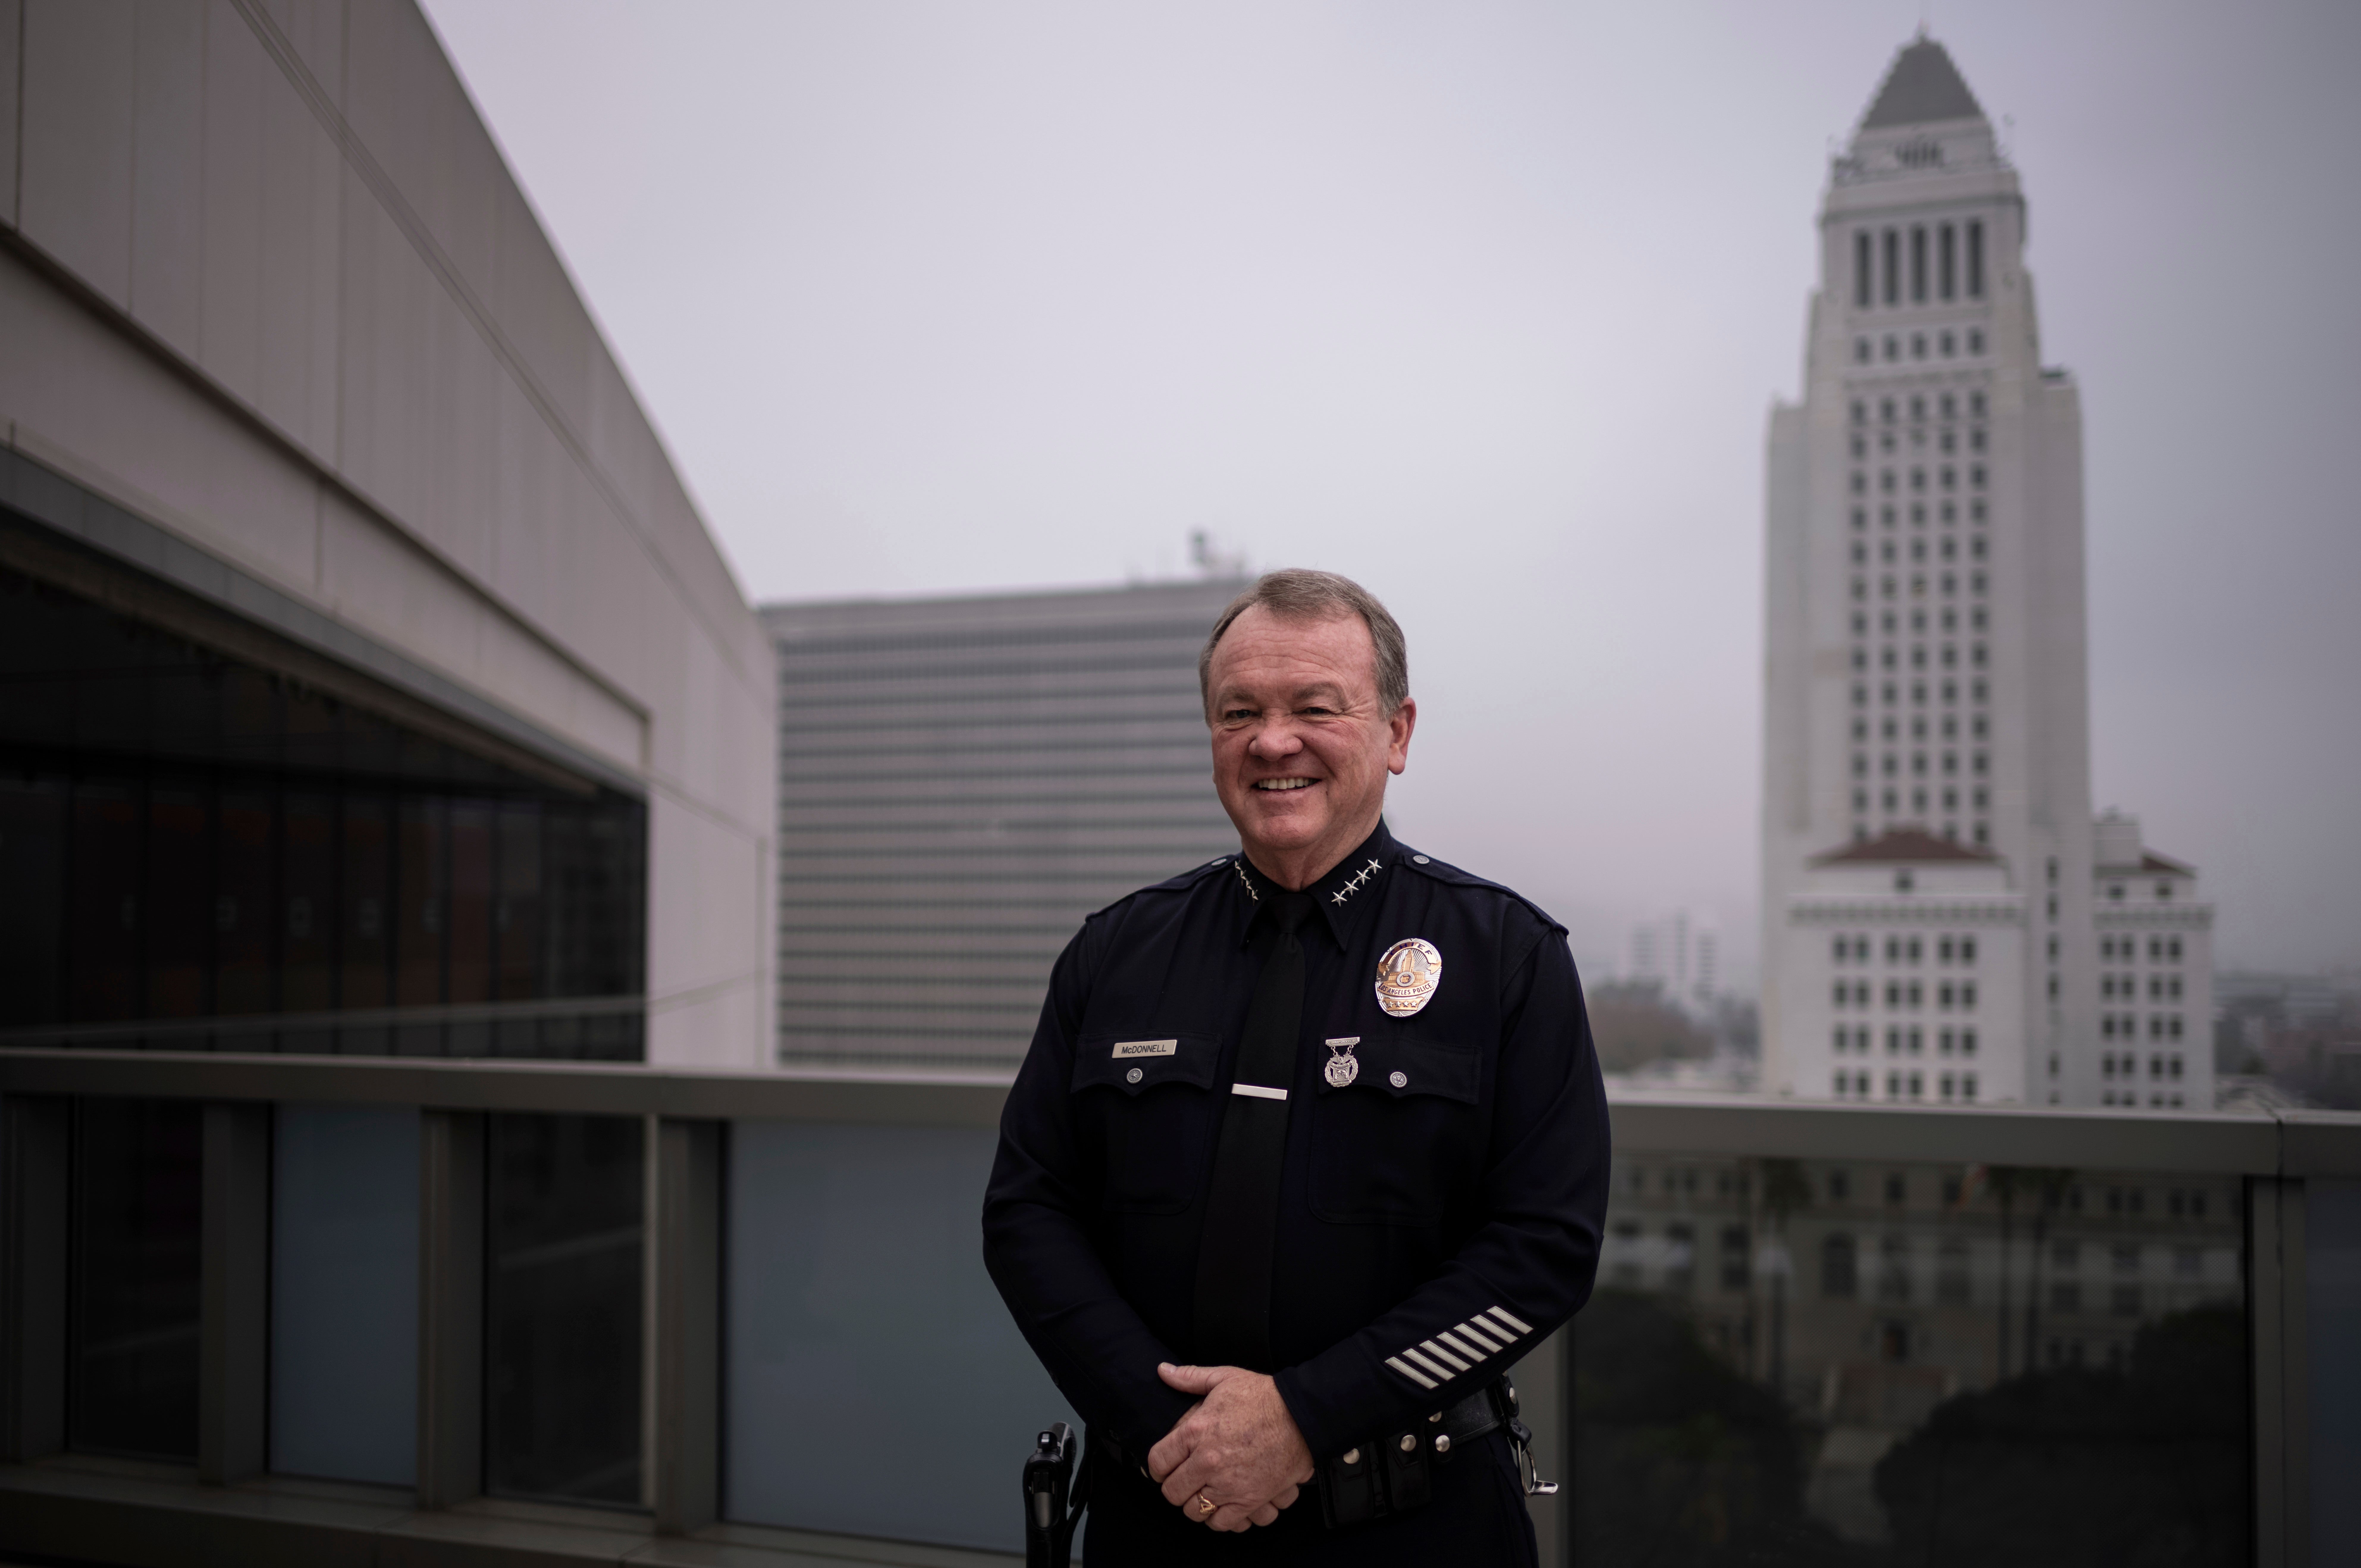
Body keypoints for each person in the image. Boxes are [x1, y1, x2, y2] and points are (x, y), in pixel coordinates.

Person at [983, 569, 1608, 1564]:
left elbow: (1544, 1248)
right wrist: (1171, 1429)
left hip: (1418, 1526)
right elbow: (1028, 1211)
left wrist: (1305, 1417)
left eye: (1315, 708)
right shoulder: (1117, 952)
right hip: (1159, 1510)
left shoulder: (1505, 956)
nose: (1273, 742)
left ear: (1397, 732)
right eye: (1240, 713)